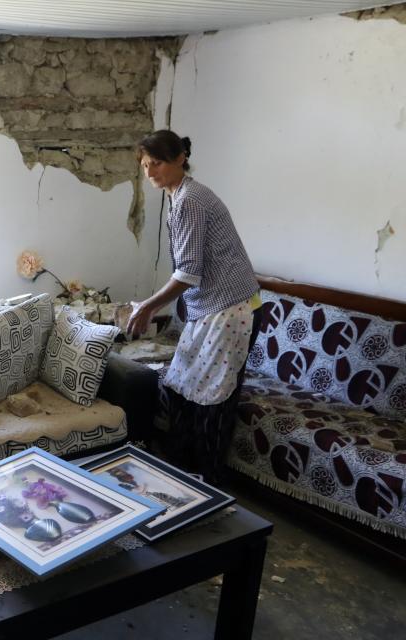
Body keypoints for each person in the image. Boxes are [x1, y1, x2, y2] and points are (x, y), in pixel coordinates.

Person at [126, 130, 262, 485]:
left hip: (233, 309)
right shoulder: (179, 196)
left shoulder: (191, 200)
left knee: (214, 402)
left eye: (156, 163)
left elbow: (187, 273)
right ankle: (183, 478)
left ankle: (210, 486)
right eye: (144, 165)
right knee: (181, 386)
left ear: (179, 159)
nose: (150, 172)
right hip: (210, 309)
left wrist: (147, 308)